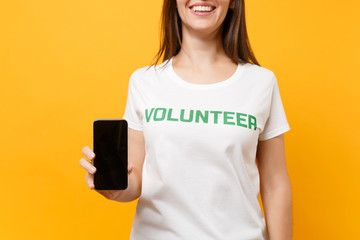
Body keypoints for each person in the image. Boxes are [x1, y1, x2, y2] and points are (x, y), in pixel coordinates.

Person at [79, 0, 293, 239]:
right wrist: (112, 185)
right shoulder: (144, 82)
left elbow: (276, 185)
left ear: (233, 2)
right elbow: (135, 180)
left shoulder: (261, 82)